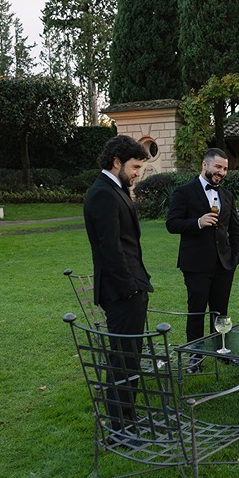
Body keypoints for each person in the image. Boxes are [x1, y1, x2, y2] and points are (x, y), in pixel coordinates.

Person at [83, 135, 154, 432]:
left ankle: (128, 416)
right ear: (116, 162)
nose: (138, 172)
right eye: (135, 166)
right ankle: (118, 426)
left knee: (131, 356)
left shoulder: (117, 190)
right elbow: (110, 248)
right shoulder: (102, 194)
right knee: (122, 359)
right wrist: (130, 288)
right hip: (121, 291)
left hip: (131, 287)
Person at [165, 147, 239, 353]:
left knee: (221, 312)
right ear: (205, 165)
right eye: (218, 167)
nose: (222, 172)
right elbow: (172, 224)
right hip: (196, 264)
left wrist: (235, 257)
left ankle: (222, 350)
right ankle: (195, 355)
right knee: (196, 312)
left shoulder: (227, 195)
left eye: (225, 169)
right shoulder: (184, 192)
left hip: (224, 264)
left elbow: (235, 229)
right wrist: (198, 222)